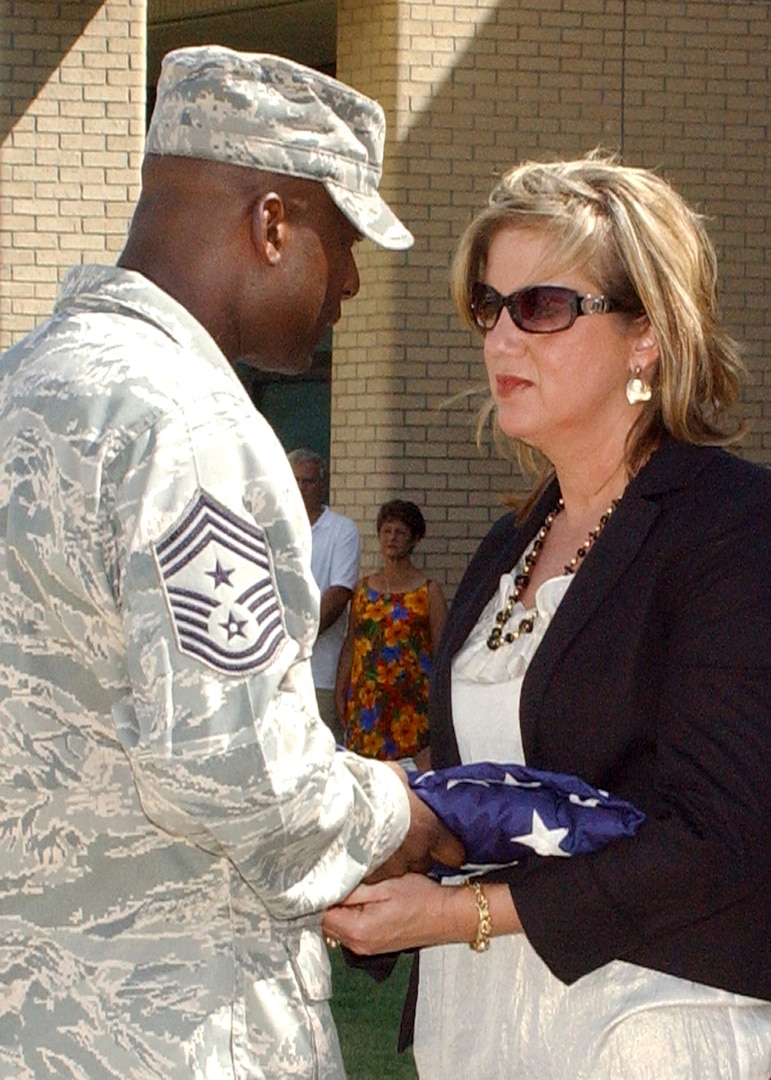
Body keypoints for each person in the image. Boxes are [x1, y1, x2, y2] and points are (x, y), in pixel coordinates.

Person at [0, 45, 464, 1079]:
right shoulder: (190, 423)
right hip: (170, 1031)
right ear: (270, 224)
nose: (347, 281)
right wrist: (412, 808)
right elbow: (245, 776)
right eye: (341, 242)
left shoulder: (24, 381)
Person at [323, 154, 771, 1079]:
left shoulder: (731, 526)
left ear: (644, 331)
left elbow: (718, 839)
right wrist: (389, 858)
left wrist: (458, 915)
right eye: (489, 307)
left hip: (646, 1019)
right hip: (478, 1021)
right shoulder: (506, 544)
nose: (499, 339)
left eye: (542, 307)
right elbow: (481, 791)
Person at [336, 499, 447, 770]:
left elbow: (442, 650)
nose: (392, 538)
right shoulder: (362, 589)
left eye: (400, 532)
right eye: (386, 531)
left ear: (414, 539)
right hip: (367, 706)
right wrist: (342, 689)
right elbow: (353, 642)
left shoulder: (428, 591)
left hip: (412, 710)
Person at [288, 447, 361, 743]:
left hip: (321, 673)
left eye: (308, 482)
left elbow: (340, 593)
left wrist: (295, 637)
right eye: (295, 482)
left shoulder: (341, 531)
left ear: (322, 483)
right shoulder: (274, 526)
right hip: (277, 671)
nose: (301, 489)